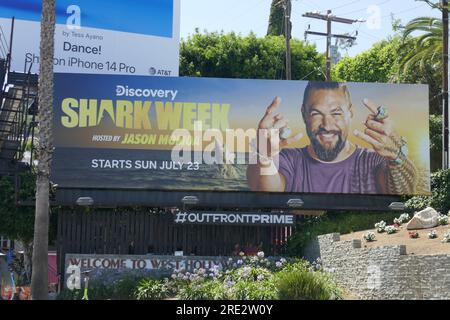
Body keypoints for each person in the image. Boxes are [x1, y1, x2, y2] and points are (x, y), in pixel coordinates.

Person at [247, 81, 417, 195]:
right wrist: (264, 156)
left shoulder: (373, 160)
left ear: (350, 114)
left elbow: (405, 193)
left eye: (336, 113)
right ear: (304, 114)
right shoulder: (289, 160)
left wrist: (396, 157)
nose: (327, 125)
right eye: (316, 113)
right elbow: (264, 190)